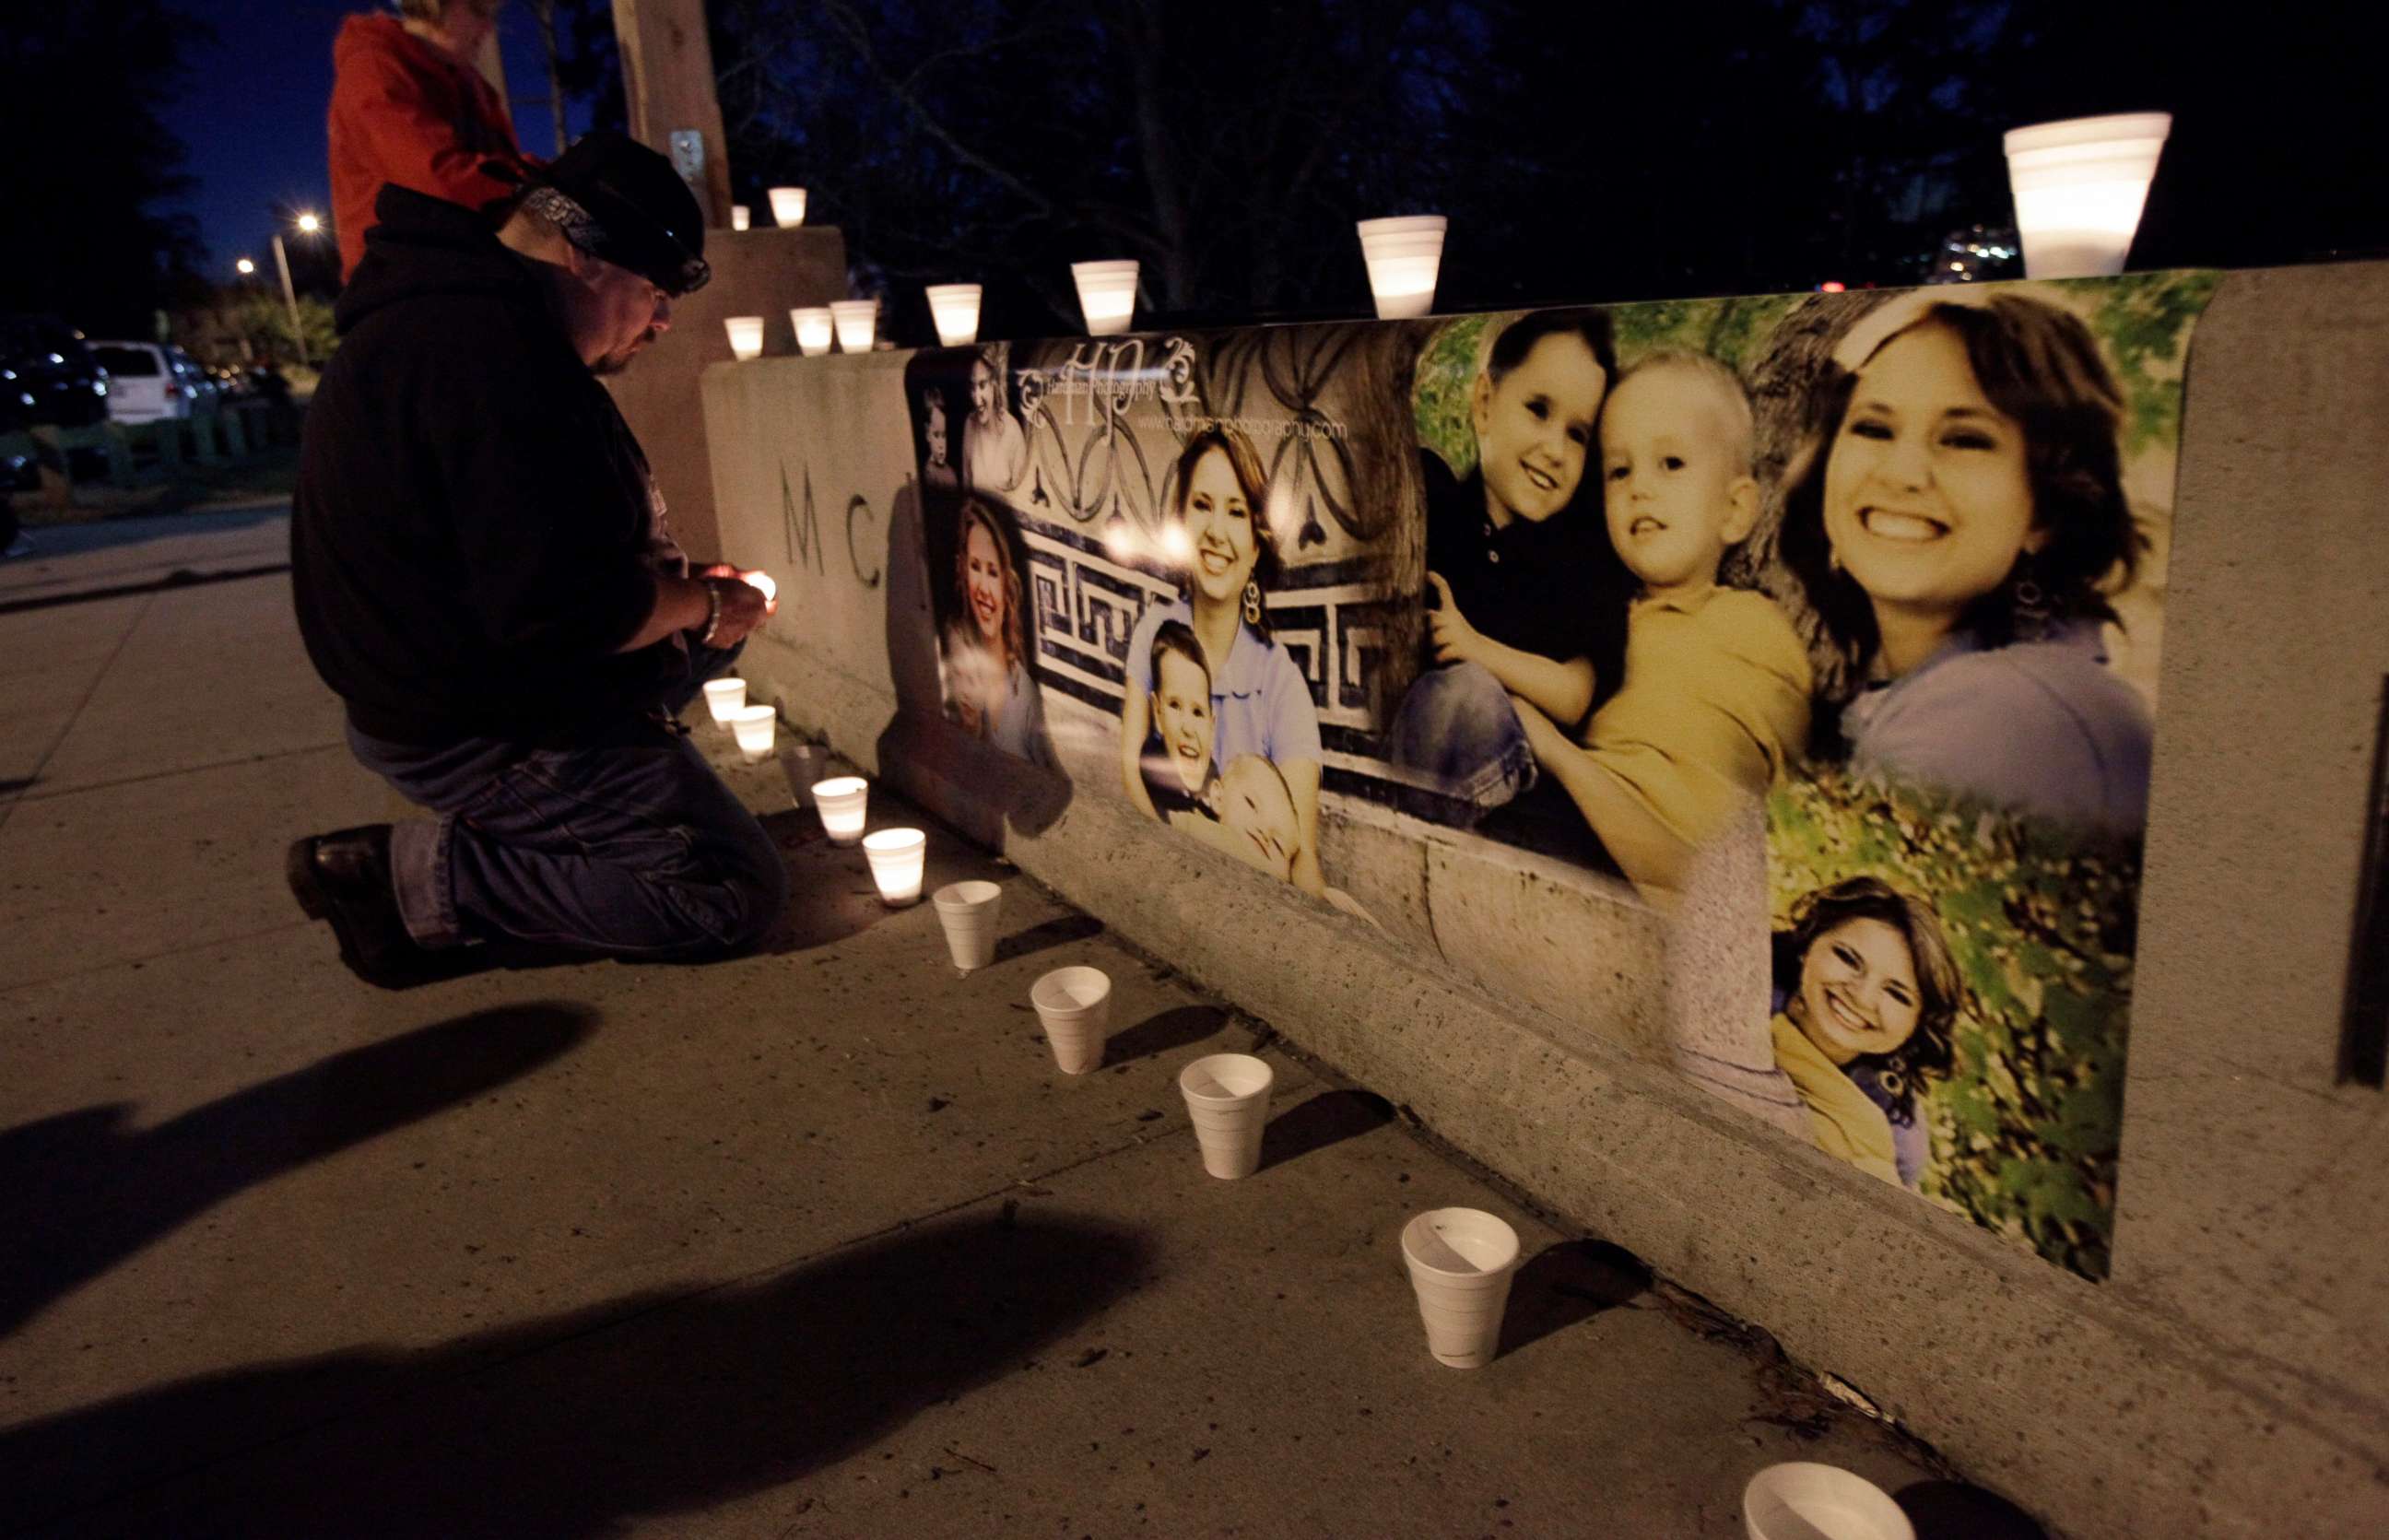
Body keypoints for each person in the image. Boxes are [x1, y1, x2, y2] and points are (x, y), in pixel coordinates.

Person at [287, 131, 787, 989]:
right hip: (472, 719)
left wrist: (694, 600)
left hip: (472, 678)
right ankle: (406, 881)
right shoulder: (489, 363)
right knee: (726, 890)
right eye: (657, 290)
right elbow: (559, 609)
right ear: (583, 255)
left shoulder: (469, 321)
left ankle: (601, 797)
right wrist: (696, 602)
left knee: (716, 629)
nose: (663, 320)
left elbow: (533, 555)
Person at [1777, 293, 2151, 832]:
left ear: (2046, 509)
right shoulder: (1935, 691)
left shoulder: (1996, 714)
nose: (1903, 473)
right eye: (1874, 428)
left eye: (1964, 440)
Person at [1510, 350, 1811, 901]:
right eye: (1619, 470)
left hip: (1657, 869)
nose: (1639, 489)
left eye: (1671, 464)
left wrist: (1558, 754)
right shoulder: (1602, 625)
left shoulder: (1757, 630)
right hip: (1555, 830)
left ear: (1735, 509)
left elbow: (1783, 810)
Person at [1388, 309, 1633, 827]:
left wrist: (1475, 647)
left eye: (1577, 434)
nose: (1554, 450)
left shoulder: (1581, 557)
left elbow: (1573, 693)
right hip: (1427, 760)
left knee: (1468, 694)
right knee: (1446, 699)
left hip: (1522, 794)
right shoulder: (1439, 507)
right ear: (1484, 403)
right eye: (1538, 410)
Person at [1120, 425, 1326, 896]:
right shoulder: (1155, 632)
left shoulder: (1280, 683)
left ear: (1256, 545)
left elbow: (1299, 853)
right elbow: (1134, 771)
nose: (1215, 532)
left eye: (1236, 512)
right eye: (1202, 506)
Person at [1761, 876, 1959, 1187]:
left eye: (1896, 994)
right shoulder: (1739, 983)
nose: (1862, 997)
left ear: (1916, 1026)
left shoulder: (1899, 1141)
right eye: (1849, 958)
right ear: (1810, 942)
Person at [329, 0, 534, 280]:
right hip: (400, 282)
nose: (489, 27)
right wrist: (542, 180)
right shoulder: (373, 67)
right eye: (478, 10)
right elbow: (439, 177)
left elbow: (507, 173)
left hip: (471, 265)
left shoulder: (476, 88)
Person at [939, 498, 1053, 764]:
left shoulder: (1024, 694)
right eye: (975, 567)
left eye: (992, 572)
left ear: (1007, 583)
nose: (983, 589)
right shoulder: (955, 645)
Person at [1140, 620, 1220, 820]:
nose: (1188, 728)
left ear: (1212, 725)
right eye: (1174, 706)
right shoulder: (1153, 765)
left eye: (1198, 712)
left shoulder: (1213, 776)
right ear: (1158, 714)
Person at [962, 350, 1029, 493]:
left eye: (982, 385)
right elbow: (967, 483)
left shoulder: (1013, 431)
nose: (976, 398)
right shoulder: (970, 424)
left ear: (994, 384)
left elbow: (1023, 495)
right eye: (972, 387)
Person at [920, 389, 959, 488]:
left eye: (944, 436)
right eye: (936, 435)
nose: (941, 444)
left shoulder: (951, 472)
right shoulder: (929, 473)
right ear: (928, 435)